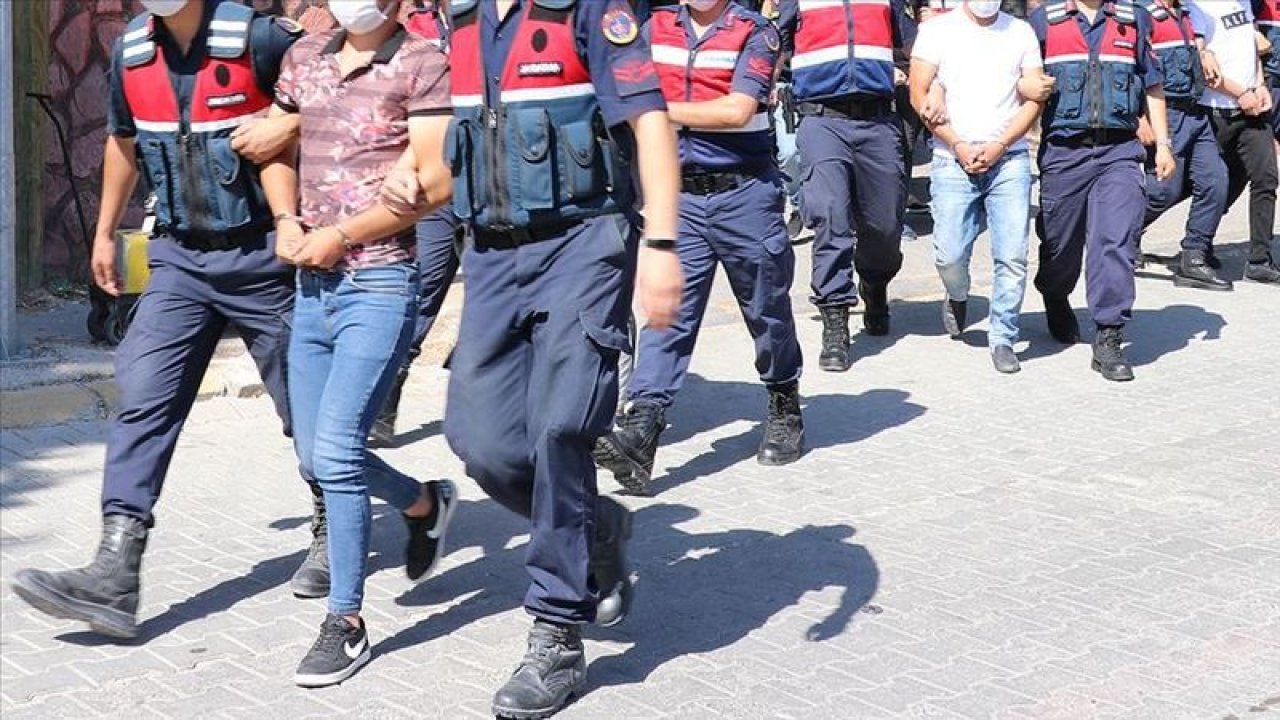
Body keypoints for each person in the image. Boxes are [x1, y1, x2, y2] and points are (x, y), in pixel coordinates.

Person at [10, 0, 316, 639]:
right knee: (142, 397)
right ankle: (116, 574)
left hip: (263, 259)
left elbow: (331, 104)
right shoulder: (131, 51)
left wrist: (285, 125)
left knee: (310, 415)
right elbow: (124, 142)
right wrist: (104, 231)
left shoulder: (258, 38)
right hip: (179, 259)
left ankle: (344, 523)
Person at [438, 0, 683, 716]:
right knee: (480, 444)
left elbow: (650, 123)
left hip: (583, 245)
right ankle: (594, 527)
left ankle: (556, 632)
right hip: (488, 255)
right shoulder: (459, 20)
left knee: (561, 428)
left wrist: (662, 247)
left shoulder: (588, 12)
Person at [259, 0, 456, 687]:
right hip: (310, 284)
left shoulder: (424, 63)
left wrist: (341, 235)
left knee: (339, 451)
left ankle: (345, 623)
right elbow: (276, 147)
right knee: (318, 457)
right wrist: (285, 219)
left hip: (378, 282)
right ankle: (423, 504)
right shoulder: (304, 56)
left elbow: (431, 181)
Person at [593, 0, 804, 497]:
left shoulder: (754, 32)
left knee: (767, 309)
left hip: (743, 193)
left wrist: (652, 111)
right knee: (668, 314)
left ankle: (783, 401)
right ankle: (642, 429)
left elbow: (737, 109)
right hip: (679, 195)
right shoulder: (653, 27)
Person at [1027, 0, 1175, 382]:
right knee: (1060, 243)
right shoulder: (1044, 21)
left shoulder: (1133, 19)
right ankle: (1055, 294)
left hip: (1119, 150)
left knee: (1115, 239)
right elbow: (1020, 80)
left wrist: (1163, 143)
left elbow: (1153, 84)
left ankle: (1109, 333)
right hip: (1064, 152)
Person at [777, 0, 915, 373]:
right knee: (830, 214)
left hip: (878, 120)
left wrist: (906, 73)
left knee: (885, 223)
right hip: (821, 118)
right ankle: (835, 317)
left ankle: (874, 280)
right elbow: (775, 44)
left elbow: (911, 44)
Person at [910, 0, 1044, 374]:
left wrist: (1001, 144)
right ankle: (958, 293)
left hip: (1010, 157)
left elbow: (1035, 97)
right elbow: (918, 94)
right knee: (949, 254)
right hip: (952, 155)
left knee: (1013, 254)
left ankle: (1003, 336)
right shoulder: (937, 31)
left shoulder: (1019, 31)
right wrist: (956, 142)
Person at [368, 0, 463, 447]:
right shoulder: (413, 26)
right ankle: (384, 405)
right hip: (432, 181)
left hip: (491, 177)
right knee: (421, 287)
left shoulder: (486, 19)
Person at [1138, 0, 1232, 290]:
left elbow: (1196, 50)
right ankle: (1118, 236)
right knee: (1163, 190)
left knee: (1215, 181)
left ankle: (1193, 256)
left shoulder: (1188, 13)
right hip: (1165, 112)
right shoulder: (1140, 13)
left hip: (1194, 111)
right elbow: (1132, 67)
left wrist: (1206, 53)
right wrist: (1139, 118)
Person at [1189, 0, 1279, 284]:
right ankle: (1190, 243)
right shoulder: (1197, 7)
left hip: (1251, 108)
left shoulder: (1242, 2)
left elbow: (1250, 50)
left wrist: (1260, 84)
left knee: (1266, 178)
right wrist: (1241, 93)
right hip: (1216, 110)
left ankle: (1259, 260)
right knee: (1201, 184)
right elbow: (1204, 65)